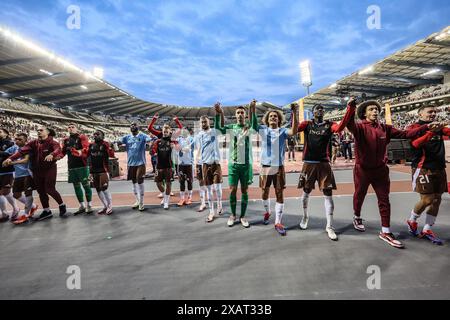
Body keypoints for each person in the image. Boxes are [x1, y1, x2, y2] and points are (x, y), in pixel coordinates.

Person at [346, 100, 441, 248]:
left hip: (381, 170)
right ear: (364, 113)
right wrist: (351, 107)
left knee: (384, 200)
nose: (375, 111)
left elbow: (406, 133)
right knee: (359, 194)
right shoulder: (359, 127)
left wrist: (426, 127)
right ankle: (357, 216)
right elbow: (348, 124)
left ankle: (385, 231)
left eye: (377, 109)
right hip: (363, 170)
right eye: (371, 109)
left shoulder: (385, 128)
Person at [296, 102, 355, 240]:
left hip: (324, 164)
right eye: (317, 109)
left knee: (328, 195)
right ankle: (305, 217)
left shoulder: (330, 124)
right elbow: (295, 129)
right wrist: (294, 112)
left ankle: (329, 226)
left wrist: (350, 108)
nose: (320, 110)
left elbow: (340, 128)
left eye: (322, 109)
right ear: (313, 112)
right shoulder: (307, 124)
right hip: (309, 164)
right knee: (305, 193)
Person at [406, 105, 449, 245]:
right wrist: (432, 132)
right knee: (427, 199)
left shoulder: (438, 126)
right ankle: (412, 220)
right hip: (423, 168)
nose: (433, 114)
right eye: (430, 112)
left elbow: (448, 131)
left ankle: (427, 228)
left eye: (435, 111)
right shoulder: (414, 127)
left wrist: (441, 127)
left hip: (440, 168)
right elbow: (416, 144)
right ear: (420, 114)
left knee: (437, 199)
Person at [4, 127, 67, 220]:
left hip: (49, 169)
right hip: (36, 170)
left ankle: (62, 205)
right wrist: (10, 158)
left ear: (48, 132)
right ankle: (47, 210)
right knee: (41, 191)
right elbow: (21, 151)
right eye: (38, 131)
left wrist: (52, 154)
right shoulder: (33, 143)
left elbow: (58, 149)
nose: (39, 132)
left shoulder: (53, 142)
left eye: (41, 130)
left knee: (50, 189)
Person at [254, 103, 298, 236]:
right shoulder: (263, 130)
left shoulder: (283, 131)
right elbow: (252, 125)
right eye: (271, 116)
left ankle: (278, 222)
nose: (273, 118)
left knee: (279, 193)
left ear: (279, 119)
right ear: (267, 119)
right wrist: (252, 109)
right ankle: (267, 211)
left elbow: (294, 130)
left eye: (275, 116)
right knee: (264, 193)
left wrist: (295, 113)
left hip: (279, 167)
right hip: (265, 167)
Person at [215, 100, 258, 228]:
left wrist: (253, 110)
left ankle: (243, 216)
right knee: (232, 190)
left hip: (246, 165)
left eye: (242, 113)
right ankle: (233, 215)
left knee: (245, 190)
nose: (240, 114)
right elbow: (218, 129)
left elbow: (255, 127)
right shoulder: (231, 128)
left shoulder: (249, 127)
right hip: (233, 165)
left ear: (245, 115)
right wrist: (219, 114)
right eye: (238, 113)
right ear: (235, 115)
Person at [2, 133, 38, 224]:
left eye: (20, 139)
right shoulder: (14, 148)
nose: (17, 140)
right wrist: (6, 158)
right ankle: (33, 206)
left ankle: (25, 215)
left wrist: (11, 162)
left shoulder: (28, 148)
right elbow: (5, 153)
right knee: (16, 195)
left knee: (28, 194)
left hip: (27, 174)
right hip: (18, 175)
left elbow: (25, 160)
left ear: (25, 140)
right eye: (16, 139)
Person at [195, 112, 224, 222]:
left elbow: (220, 124)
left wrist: (219, 112)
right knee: (208, 189)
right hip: (205, 164)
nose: (203, 123)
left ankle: (220, 204)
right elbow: (199, 149)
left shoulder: (214, 132)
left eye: (205, 122)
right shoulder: (198, 135)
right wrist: (197, 163)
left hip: (216, 164)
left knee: (217, 188)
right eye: (201, 122)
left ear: (209, 122)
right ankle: (211, 211)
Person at [119, 123, 152, 211]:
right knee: (134, 182)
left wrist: (149, 141)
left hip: (140, 163)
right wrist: (118, 143)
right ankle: (137, 201)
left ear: (138, 128)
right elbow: (119, 141)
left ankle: (141, 203)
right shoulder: (127, 137)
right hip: (130, 164)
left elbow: (149, 139)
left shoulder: (143, 135)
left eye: (135, 125)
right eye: (131, 126)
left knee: (140, 181)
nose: (133, 127)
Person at [61, 123, 92, 215]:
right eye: (69, 127)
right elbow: (63, 152)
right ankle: (82, 205)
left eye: (72, 127)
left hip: (82, 165)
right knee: (76, 186)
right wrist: (56, 156)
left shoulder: (82, 137)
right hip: (71, 166)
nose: (70, 128)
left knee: (86, 185)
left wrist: (80, 151)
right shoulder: (66, 140)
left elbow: (86, 148)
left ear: (77, 129)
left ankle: (89, 205)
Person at [85, 130, 115, 215]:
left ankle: (110, 206)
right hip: (93, 171)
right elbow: (87, 157)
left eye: (97, 134)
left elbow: (112, 155)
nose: (95, 135)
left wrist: (109, 147)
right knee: (98, 189)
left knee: (104, 189)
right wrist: (89, 171)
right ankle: (105, 206)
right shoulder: (91, 145)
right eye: (94, 134)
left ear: (102, 136)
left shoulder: (105, 144)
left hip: (103, 171)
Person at [152, 124, 177, 210]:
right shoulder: (157, 141)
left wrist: (174, 147)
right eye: (164, 132)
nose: (165, 133)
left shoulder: (172, 141)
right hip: (159, 166)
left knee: (168, 184)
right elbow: (152, 152)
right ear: (162, 132)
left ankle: (166, 200)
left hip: (168, 166)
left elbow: (178, 149)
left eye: (167, 132)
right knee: (158, 183)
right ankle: (164, 194)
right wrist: (153, 151)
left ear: (170, 132)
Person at [0, 128, 18, 222]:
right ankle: (5, 213)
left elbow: (13, 155)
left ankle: (14, 209)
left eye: (0, 131)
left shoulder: (10, 143)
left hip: (8, 171)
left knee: (5, 192)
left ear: (6, 134)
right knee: (3, 193)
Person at [175, 128, 194, 206]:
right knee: (181, 182)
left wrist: (187, 148)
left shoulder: (191, 138)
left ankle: (189, 197)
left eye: (185, 130)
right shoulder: (179, 139)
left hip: (189, 163)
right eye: (183, 130)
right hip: (181, 164)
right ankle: (182, 198)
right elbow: (176, 147)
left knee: (189, 181)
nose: (183, 132)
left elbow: (192, 147)